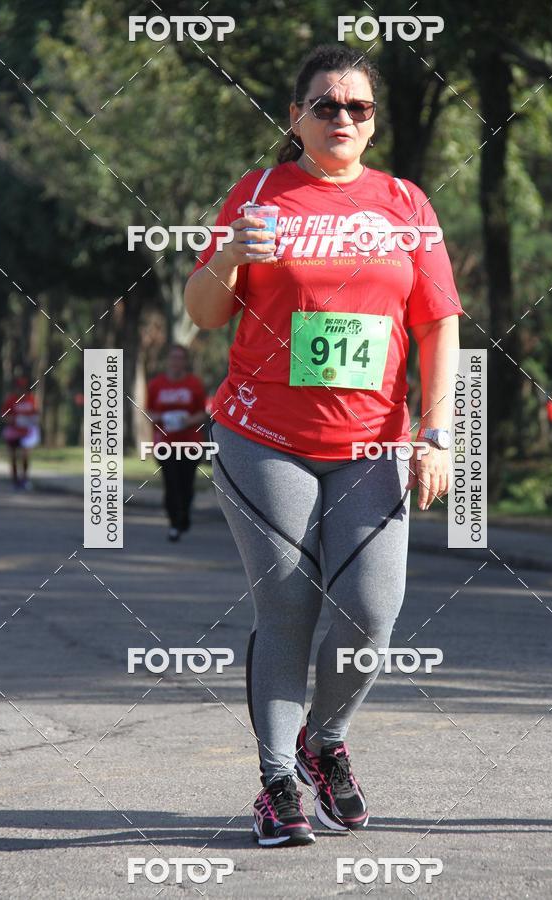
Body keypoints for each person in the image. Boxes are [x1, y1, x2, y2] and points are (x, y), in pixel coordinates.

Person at [185, 44, 462, 847]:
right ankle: (277, 782)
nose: (342, 117)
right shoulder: (262, 193)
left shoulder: (406, 204)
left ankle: (325, 738)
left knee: (374, 610)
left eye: (359, 107)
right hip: (263, 437)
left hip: (373, 443)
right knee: (290, 606)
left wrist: (437, 434)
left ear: (373, 123)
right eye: (325, 105)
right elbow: (204, 312)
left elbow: (438, 322)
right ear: (295, 116)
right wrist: (233, 253)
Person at [146, 344, 208, 541]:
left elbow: (202, 413)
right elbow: (149, 412)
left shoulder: (194, 384)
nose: (176, 362)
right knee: (171, 483)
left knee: (186, 485)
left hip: (190, 444)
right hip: (164, 443)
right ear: (168, 360)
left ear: (185, 361)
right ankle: (174, 523)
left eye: (180, 358)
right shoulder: (156, 385)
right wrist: (162, 417)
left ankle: (185, 514)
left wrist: (187, 421)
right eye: (173, 357)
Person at [1, 374, 41, 490]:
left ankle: (25, 479)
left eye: (22, 388)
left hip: (27, 432)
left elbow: (36, 414)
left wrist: (34, 419)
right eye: (18, 388)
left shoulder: (31, 399)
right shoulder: (11, 400)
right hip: (13, 432)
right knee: (13, 456)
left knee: (25, 455)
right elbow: (3, 416)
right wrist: (13, 419)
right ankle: (14, 480)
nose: (20, 390)